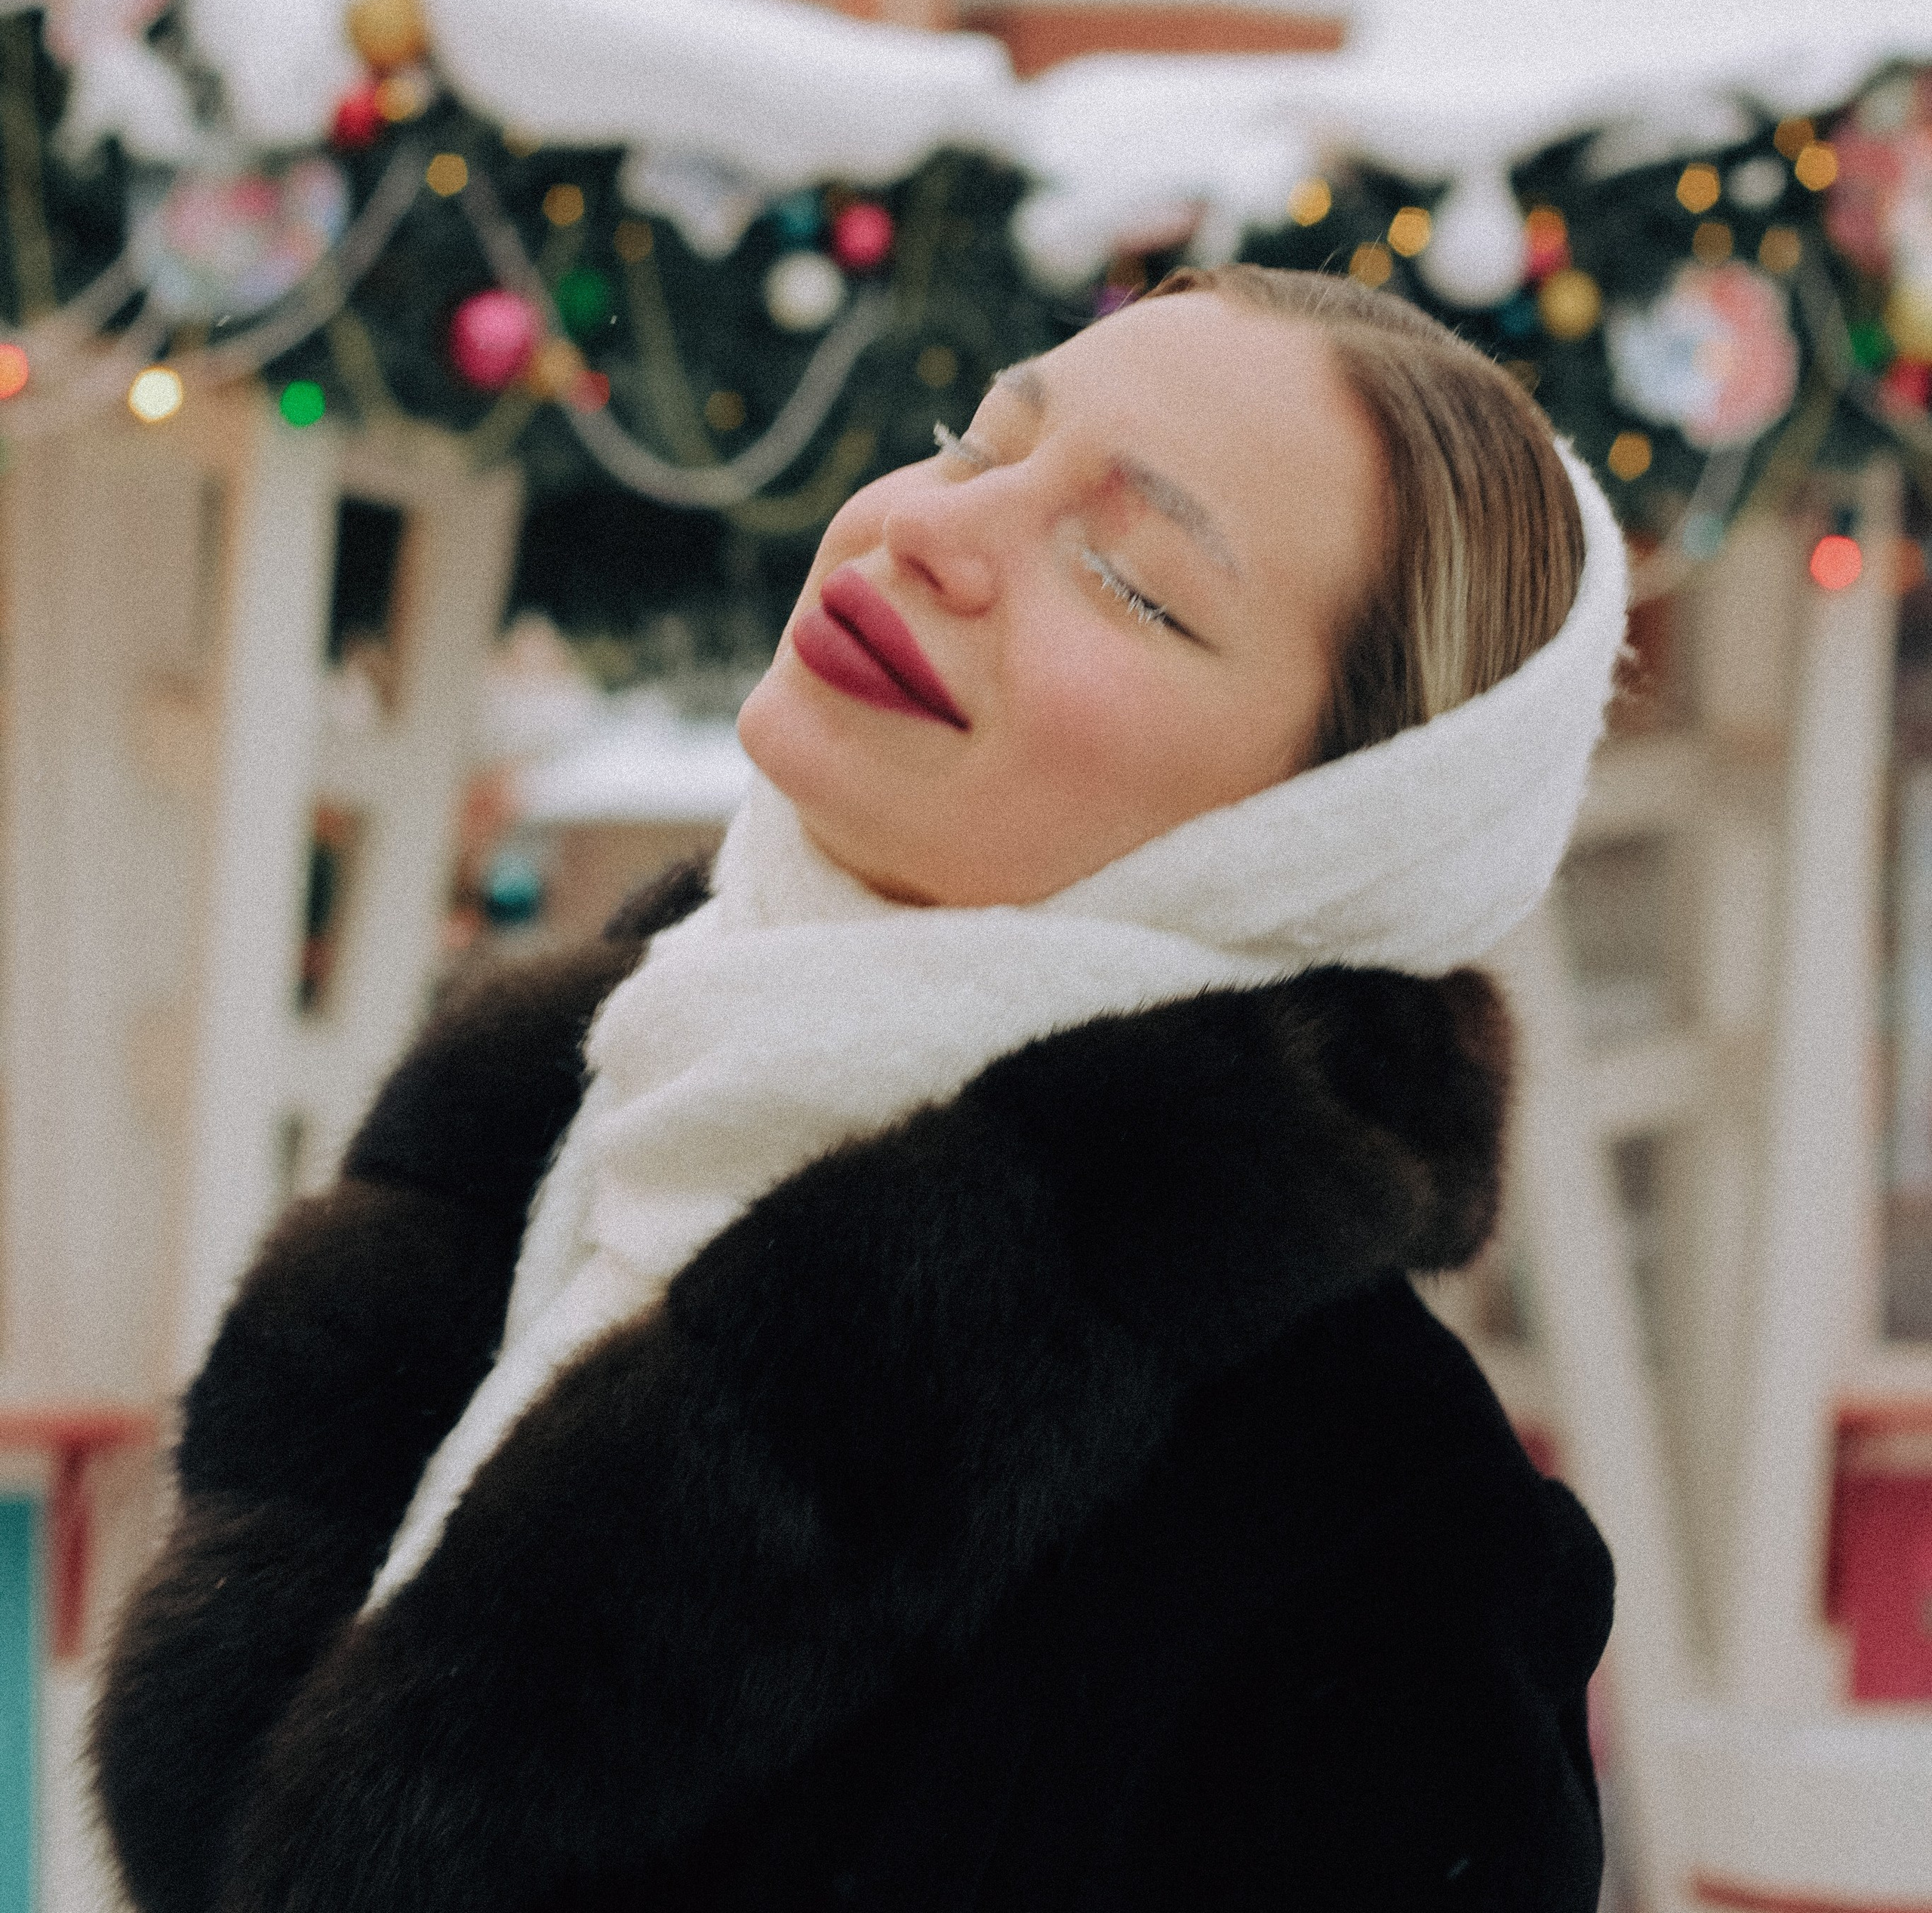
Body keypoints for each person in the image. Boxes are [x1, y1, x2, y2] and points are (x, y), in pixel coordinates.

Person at [93, 266, 1629, 1913]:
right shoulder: (546, 1125)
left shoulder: (1362, 1536)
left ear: (1333, 829)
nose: (931, 537)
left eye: (1131, 580)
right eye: (975, 446)